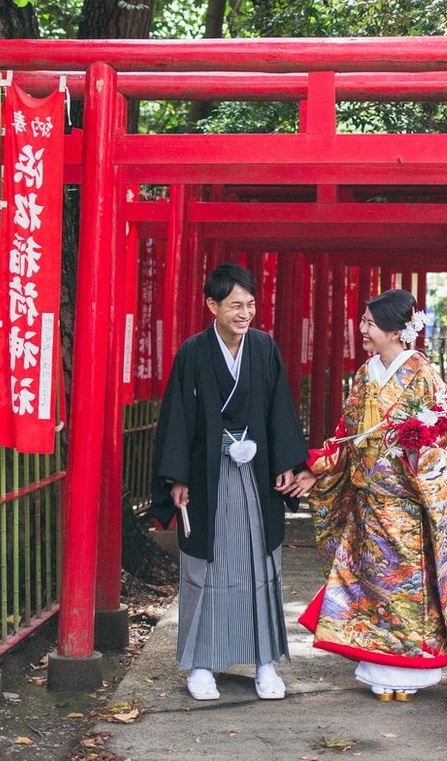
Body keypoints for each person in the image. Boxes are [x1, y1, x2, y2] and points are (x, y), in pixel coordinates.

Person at [299, 288, 447, 700]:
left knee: (406, 589)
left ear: (394, 330)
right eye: (363, 321)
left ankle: (409, 672)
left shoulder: (421, 372)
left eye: (369, 323)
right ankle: (377, 668)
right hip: (367, 501)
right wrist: (318, 467)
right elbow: (347, 433)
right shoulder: (365, 374)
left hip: (405, 504)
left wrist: (420, 441)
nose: (362, 329)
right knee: (370, 586)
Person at [151, 262, 311, 702]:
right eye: (235, 305)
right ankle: (201, 665)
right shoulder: (193, 352)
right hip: (208, 477)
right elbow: (178, 417)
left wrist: (288, 463)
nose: (245, 313)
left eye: (251, 304)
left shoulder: (263, 348)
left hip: (255, 475)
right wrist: (177, 477)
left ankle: (264, 663)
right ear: (212, 306)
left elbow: (279, 408)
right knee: (206, 568)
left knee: (261, 565)